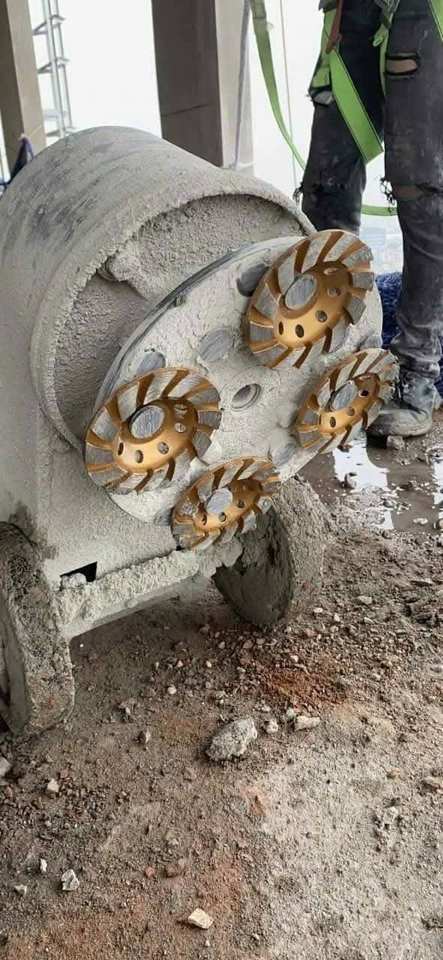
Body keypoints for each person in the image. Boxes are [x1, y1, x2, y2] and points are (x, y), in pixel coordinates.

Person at [302, 0, 443, 437]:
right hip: (351, 10)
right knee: (326, 187)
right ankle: (324, 361)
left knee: (422, 191)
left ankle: (416, 378)